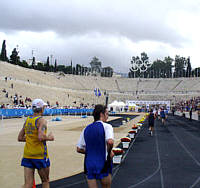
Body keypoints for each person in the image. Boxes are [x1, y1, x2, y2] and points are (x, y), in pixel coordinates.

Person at [18, 99, 54, 188]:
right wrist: (50, 137)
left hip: (27, 154)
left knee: (28, 184)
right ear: (42, 108)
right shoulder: (42, 120)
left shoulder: (28, 120)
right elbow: (41, 137)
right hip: (39, 155)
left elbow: (20, 138)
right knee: (45, 181)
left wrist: (31, 139)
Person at [77, 104, 114, 188]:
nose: (107, 116)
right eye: (107, 114)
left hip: (89, 163)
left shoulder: (86, 129)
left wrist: (91, 151)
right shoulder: (107, 126)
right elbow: (110, 142)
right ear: (101, 114)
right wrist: (109, 151)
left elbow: (79, 149)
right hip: (103, 162)